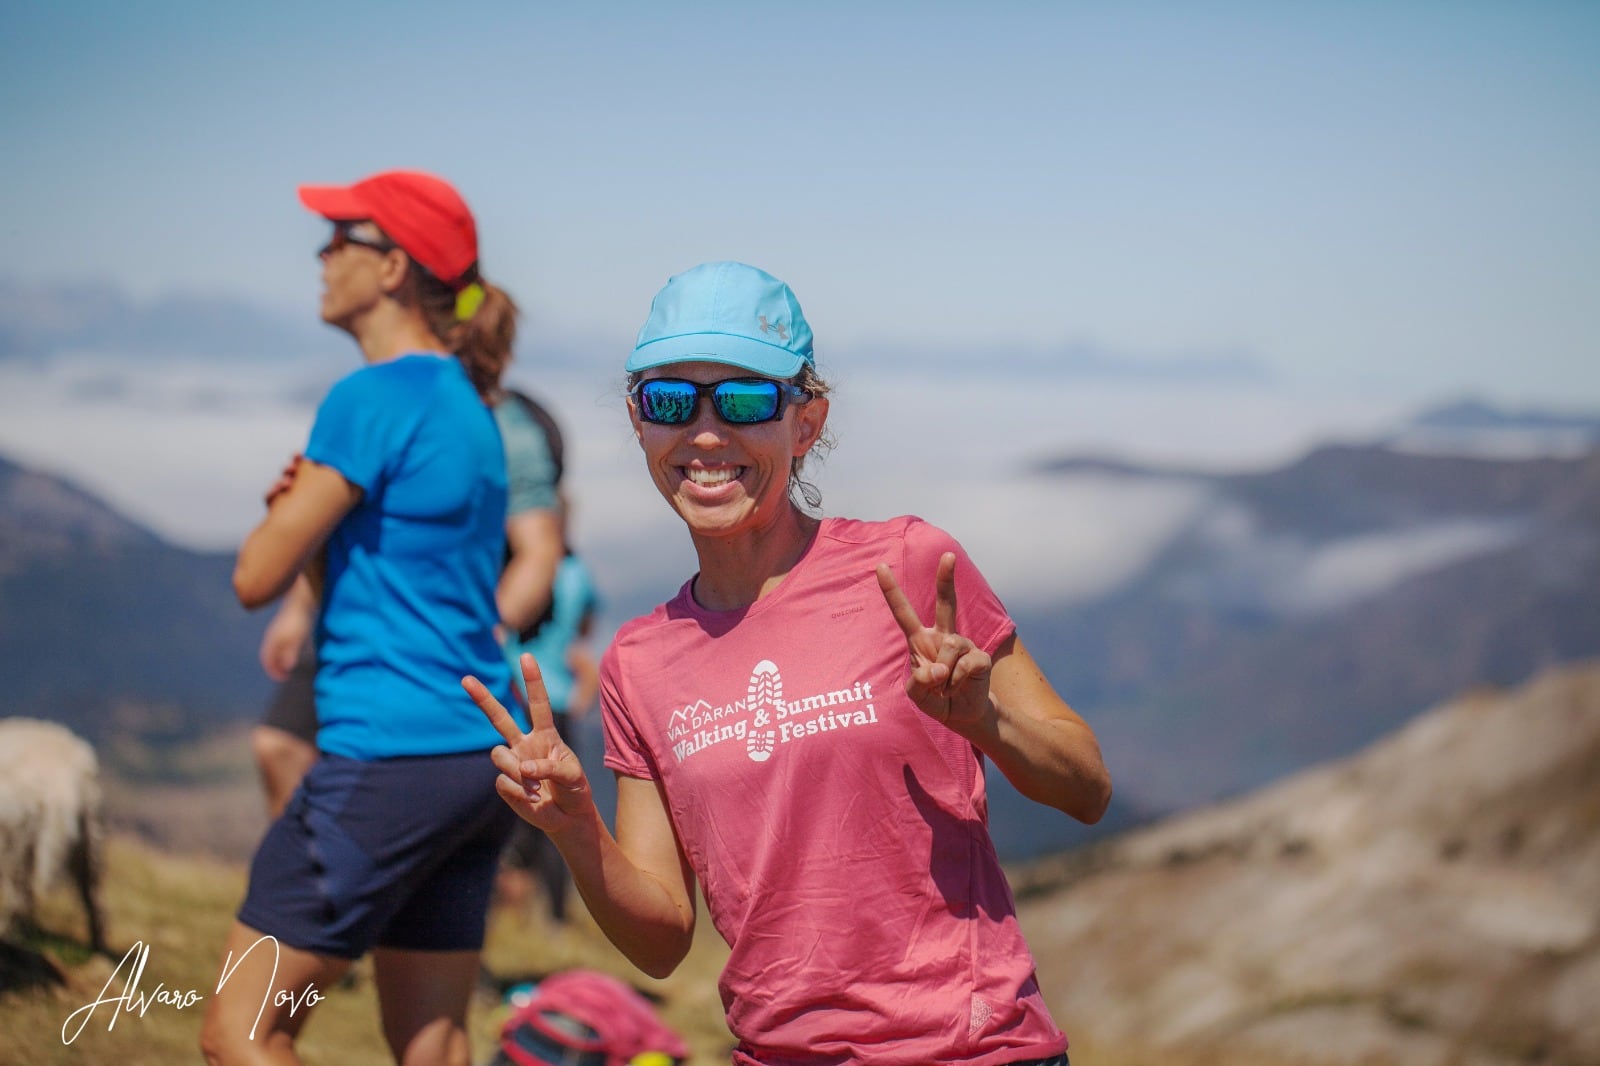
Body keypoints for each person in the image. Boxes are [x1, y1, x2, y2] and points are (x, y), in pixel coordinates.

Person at [465, 261, 1113, 1065]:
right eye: (671, 401)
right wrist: (573, 828)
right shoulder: (640, 660)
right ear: (640, 424)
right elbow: (663, 939)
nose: (706, 433)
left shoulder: (913, 568)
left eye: (745, 399)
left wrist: (988, 723)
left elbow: (1086, 787)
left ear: (806, 422)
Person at [202, 170, 526, 1066]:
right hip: (473, 759)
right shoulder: (467, 405)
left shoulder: (370, 399)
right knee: (436, 1041)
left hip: (384, 760)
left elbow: (252, 577)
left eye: (339, 239)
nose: (321, 256)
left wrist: (287, 518)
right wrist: (319, 527)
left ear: (392, 268)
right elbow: (404, 568)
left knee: (239, 1033)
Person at [245, 388, 568, 821]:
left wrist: (491, 626)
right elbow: (335, 520)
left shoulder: (506, 427)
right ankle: (310, 863)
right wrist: (296, 610)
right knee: (279, 745)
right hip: (356, 614)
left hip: (441, 628)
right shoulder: (379, 403)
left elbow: (538, 551)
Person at [496, 505, 602, 924]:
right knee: (559, 811)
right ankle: (556, 918)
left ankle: (514, 914)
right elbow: (586, 627)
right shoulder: (578, 574)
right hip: (556, 699)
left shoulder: (510, 567)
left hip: (512, 699)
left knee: (520, 812)